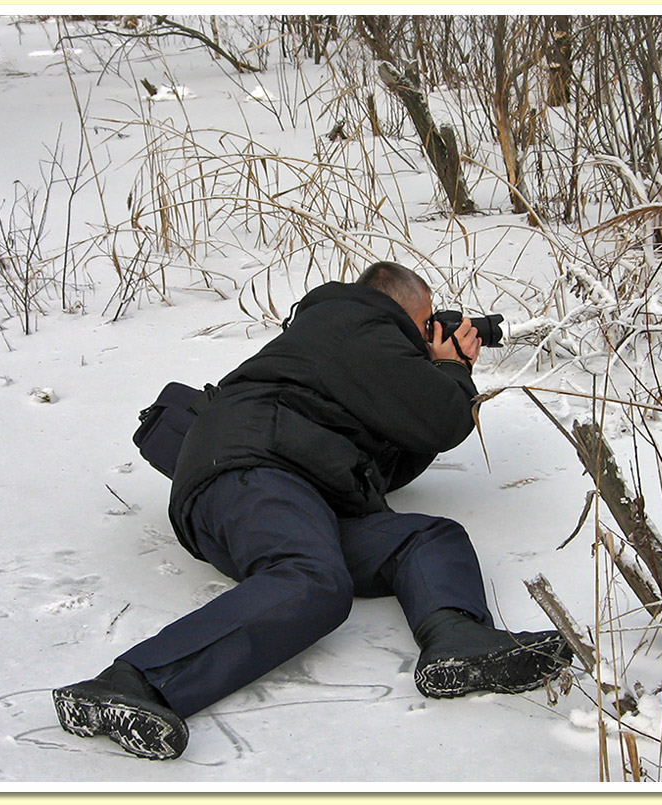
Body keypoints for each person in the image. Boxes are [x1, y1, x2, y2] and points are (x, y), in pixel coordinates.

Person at [53, 261, 572, 760]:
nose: (427, 335)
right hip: (253, 471)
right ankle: (133, 682)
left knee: (427, 537)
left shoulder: (355, 352)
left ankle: (458, 641)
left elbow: (400, 452)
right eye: (424, 324)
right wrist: (452, 369)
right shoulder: (355, 319)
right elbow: (443, 418)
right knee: (313, 581)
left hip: (304, 494)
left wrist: (440, 373)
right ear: (400, 310)